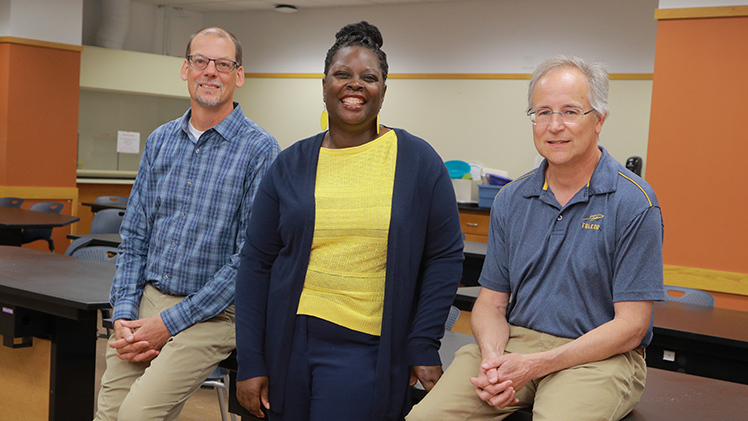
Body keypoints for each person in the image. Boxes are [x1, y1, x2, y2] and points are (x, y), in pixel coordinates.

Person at [407, 55, 664, 421]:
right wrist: (495, 357)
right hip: (513, 344)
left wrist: (537, 364)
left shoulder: (633, 202)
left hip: (597, 358)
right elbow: (492, 304)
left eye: (570, 112)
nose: (554, 126)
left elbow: (631, 327)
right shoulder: (512, 199)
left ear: (599, 120)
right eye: (542, 112)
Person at [234, 21, 464, 421]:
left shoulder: (418, 161)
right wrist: (252, 359)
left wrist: (423, 343)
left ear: (383, 91)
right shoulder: (289, 163)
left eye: (368, 78)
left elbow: (444, 257)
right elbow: (256, 263)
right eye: (342, 74)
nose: (354, 85)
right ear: (323, 85)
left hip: (369, 346)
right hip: (289, 342)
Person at [94, 27, 280, 421]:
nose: (210, 71)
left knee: (135, 416)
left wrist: (167, 323)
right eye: (200, 61)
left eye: (222, 64)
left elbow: (247, 259)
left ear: (238, 75)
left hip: (216, 315)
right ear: (185, 69)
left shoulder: (260, 150)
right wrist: (125, 314)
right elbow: (135, 236)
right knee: (108, 415)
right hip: (149, 298)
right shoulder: (160, 141)